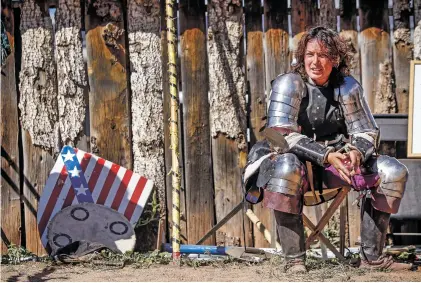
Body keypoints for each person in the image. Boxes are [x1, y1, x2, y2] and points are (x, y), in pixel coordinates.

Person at [243, 26, 412, 272]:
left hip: (339, 165)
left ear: (335, 58)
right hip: (298, 166)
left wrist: (355, 153)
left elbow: (366, 131)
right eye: (310, 54)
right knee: (285, 167)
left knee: (393, 172)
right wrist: (326, 155)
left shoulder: (347, 86)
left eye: (323, 55)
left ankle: (372, 259)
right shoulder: (289, 84)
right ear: (302, 56)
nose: (315, 61)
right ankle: (295, 260)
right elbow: (281, 135)